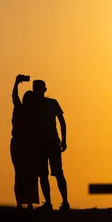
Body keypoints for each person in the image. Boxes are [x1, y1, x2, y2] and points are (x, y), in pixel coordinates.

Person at [31, 79, 70, 211]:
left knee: (58, 173)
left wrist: (64, 140)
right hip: (40, 144)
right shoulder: (32, 106)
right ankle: (48, 203)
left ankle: (65, 202)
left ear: (44, 90)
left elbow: (62, 122)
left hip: (52, 142)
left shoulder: (52, 103)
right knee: (43, 174)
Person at [10, 74, 40, 210]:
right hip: (20, 143)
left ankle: (27, 203)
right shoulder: (20, 108)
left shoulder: (32, 113)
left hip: (28, 144)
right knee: (20, 173)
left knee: (29, 174)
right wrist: (16, 83)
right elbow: (14, 96)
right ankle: (21, 203)